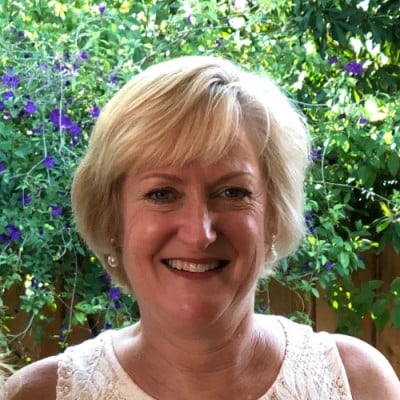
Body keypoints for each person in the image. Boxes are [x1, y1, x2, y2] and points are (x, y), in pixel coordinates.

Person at [5, 56, 400, 400]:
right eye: (162, 194)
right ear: (111, 220)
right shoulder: (40, 395)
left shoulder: (356, 384)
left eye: (232, 192)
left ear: (273, 216)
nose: (200, 232)